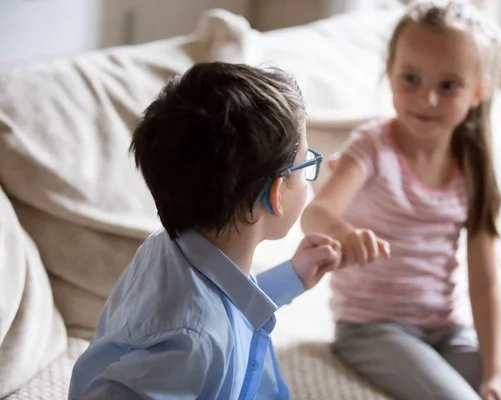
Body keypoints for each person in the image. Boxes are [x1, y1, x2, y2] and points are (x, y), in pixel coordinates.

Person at [68, 62, 342, 400]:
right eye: (305, 164)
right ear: (276, 195)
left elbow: (229, 305)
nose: (309, 177)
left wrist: (292, 277)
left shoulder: (174, 249)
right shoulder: (191, 340)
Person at [301, 1, 501, 399]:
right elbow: (315, 213)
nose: (428, 99)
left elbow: (485, 281)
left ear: (477, 92)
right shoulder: (371, 147)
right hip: (370, 328)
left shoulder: (473, 165)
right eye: (411, 78)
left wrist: (493, 373)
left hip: (446, 329)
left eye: (448, 85)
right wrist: (344, 233)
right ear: (389, 75)